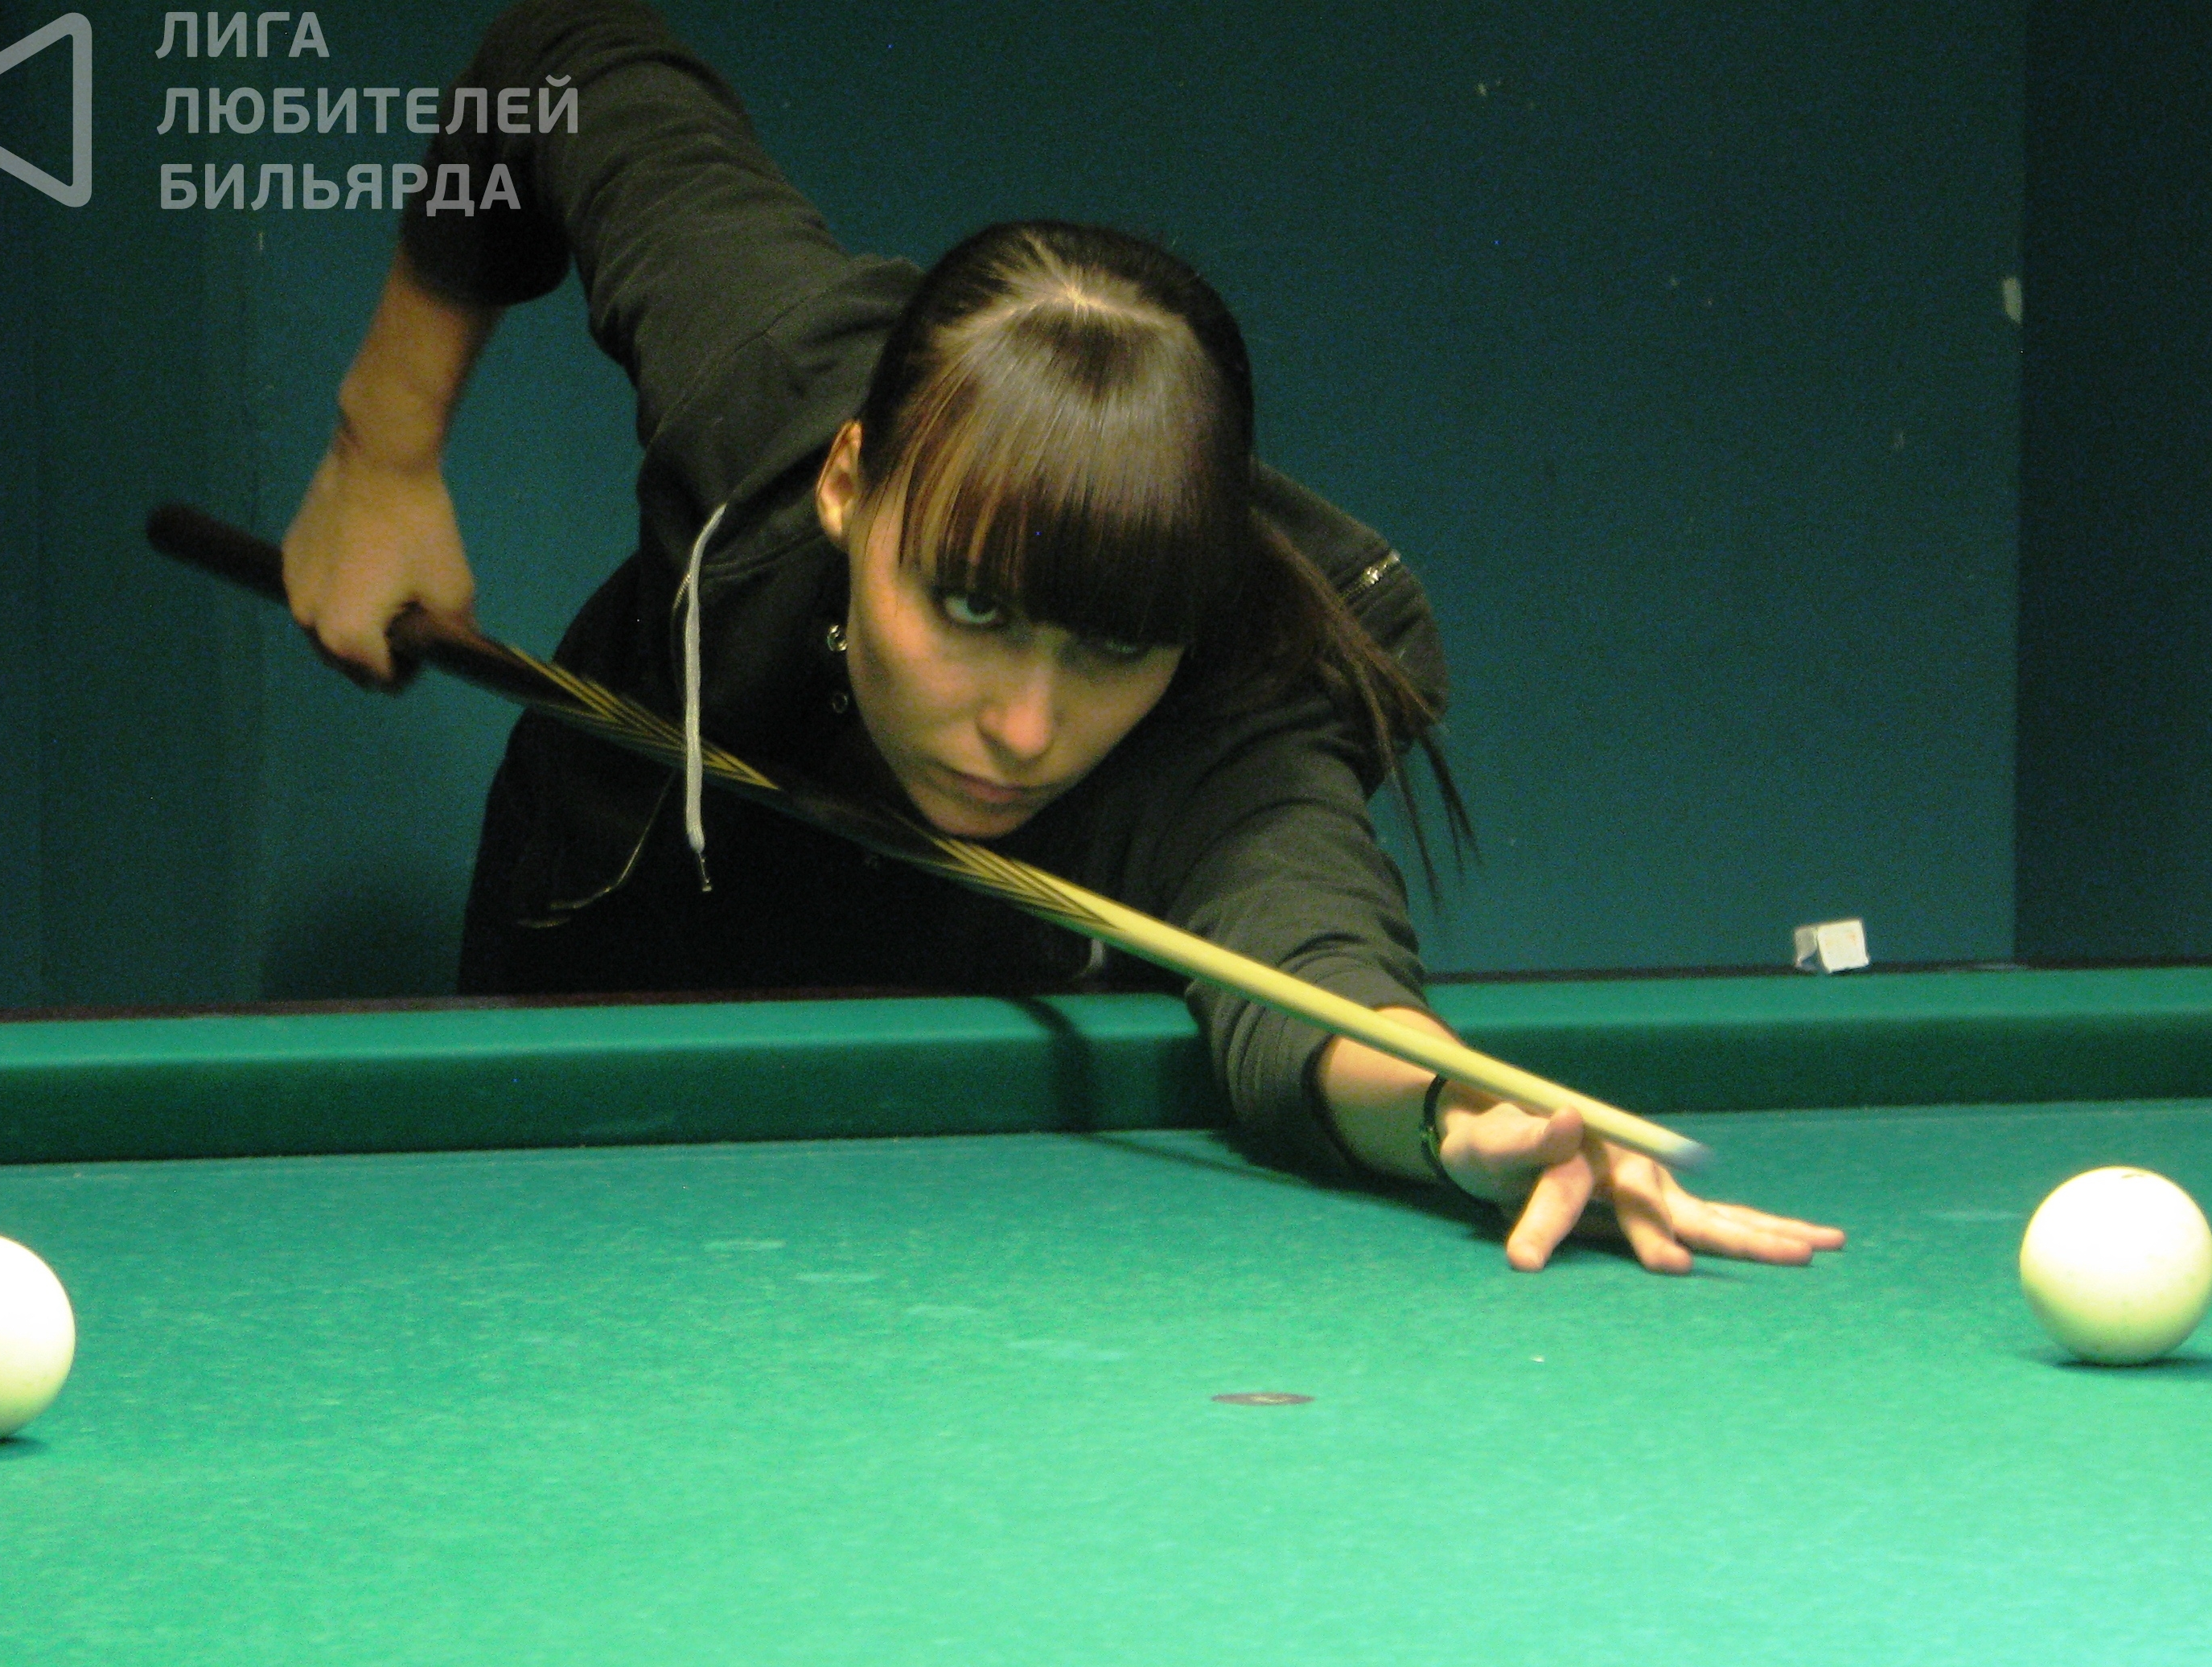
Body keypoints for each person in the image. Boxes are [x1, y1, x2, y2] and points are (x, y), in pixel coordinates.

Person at [284, 0, 1844, 1275]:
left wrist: (1451, 1117)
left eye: (1113, 649)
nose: (1026, 731)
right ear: (848, 484)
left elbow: (1315, 969)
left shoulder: (1236, 708)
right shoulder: (771, 374)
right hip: (608, 924)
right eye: (970, 609)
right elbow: (561, 60)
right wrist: (381, 448)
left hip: (975, 1187)